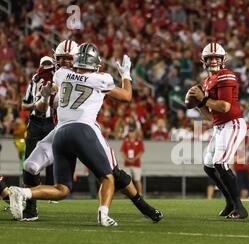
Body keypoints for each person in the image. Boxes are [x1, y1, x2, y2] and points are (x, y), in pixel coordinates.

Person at [9, 43, 161, 226]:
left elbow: (53, 100)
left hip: (61, 132)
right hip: (79, 129)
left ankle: (145, 208)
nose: (64, 61)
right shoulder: (97, 78)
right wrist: (126, 75)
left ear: (76, 59)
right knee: (31, 167)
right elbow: (126, 96)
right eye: (61, 58)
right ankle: (33, 208)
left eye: (68, 58)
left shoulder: (61, 75)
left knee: (107, 175)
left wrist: (46, 97)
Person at [188, 42, 248, 219]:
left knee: (221, 163)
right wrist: (198, 104)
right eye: (210, 58)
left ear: (223, 60)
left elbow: (224, 106)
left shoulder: (226, 75)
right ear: (204, 61)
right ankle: (230, 202)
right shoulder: (207, 81)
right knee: (209, 165)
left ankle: (239, 207)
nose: (213, 60)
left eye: (216, 57)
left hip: (233, 123)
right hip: (220, 126)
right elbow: (211, 116)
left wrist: (203, 100)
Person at [21, 55, 58, 220]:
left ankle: (51, 188)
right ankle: (31, 196)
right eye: (45, 64)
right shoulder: (34, 80)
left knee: (52, 155)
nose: (47, 67)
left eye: (49, 65)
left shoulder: (57, 78)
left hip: (50, 121)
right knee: (28, 158)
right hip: (35, 121)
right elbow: (24, 105)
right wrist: (35, 105)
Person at [120, 127, 144, 195]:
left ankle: (140, 194)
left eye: (133, 132)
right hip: (127, 164)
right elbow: (122, 152)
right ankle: (129, 194)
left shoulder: (139, 141)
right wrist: (127, 159)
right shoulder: (126, 141)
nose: (132, 134)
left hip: (136, 164)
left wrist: (134, 159)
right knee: (127, 181)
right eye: (130, 132)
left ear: (135, 133)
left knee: (137, 180)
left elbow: (141, 152)